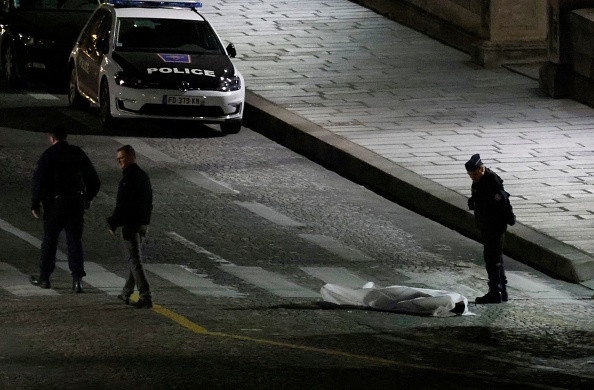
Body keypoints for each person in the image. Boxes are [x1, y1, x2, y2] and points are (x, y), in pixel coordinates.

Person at [30, 126, 100, 292]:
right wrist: (87, 197)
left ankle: (45, 278)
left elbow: (38, 181)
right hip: (75, 202)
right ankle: (77, 280)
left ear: (51, 138)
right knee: (74, 241)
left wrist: (35, 204)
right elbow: (94, 179)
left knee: (50, 241)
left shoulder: (49, 155)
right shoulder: (77, 153)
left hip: (55, 203)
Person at [106, 145, 153, 309]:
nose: (120, 161)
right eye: (118, 159)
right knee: (135, 260)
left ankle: (145, 296)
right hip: (142, 223)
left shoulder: (128, 179)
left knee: (135, 261)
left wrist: (114, 222)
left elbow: (123, 205)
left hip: (131, 225)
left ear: (132, 156)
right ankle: (127, 292)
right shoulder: (142, 176)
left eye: (122, 158)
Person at [466, 153, 510, 304]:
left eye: (475, 174)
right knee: (495, 258)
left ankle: (495, 292)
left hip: (494, 226)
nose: (473, 177)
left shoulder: (491, 181)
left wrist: (505, 220)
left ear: (481, 168)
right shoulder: (481, 181)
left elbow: (502, 203)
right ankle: (501, 290)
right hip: (488, 225)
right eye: (471, 175)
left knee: (492, 259)